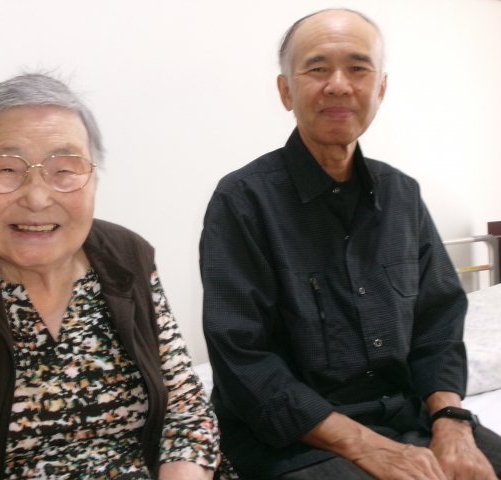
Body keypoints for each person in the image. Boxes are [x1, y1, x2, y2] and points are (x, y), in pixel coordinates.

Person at [200, 9, 501, 480]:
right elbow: (244, 358)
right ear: (286, 91)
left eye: (358, 68)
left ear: (380, 89)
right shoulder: (242, 201)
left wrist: (451, 423)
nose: (339, 85)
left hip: (406, 419)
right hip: (293, 441)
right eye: (318, 68)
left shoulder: (402, 194)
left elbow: (438, 325)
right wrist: (369, 448)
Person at [0, 73, 219, 479]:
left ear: (92, 182)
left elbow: (186, 406)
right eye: (7, 168)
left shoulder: (127, 257)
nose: (37, 198)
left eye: (64, 169)